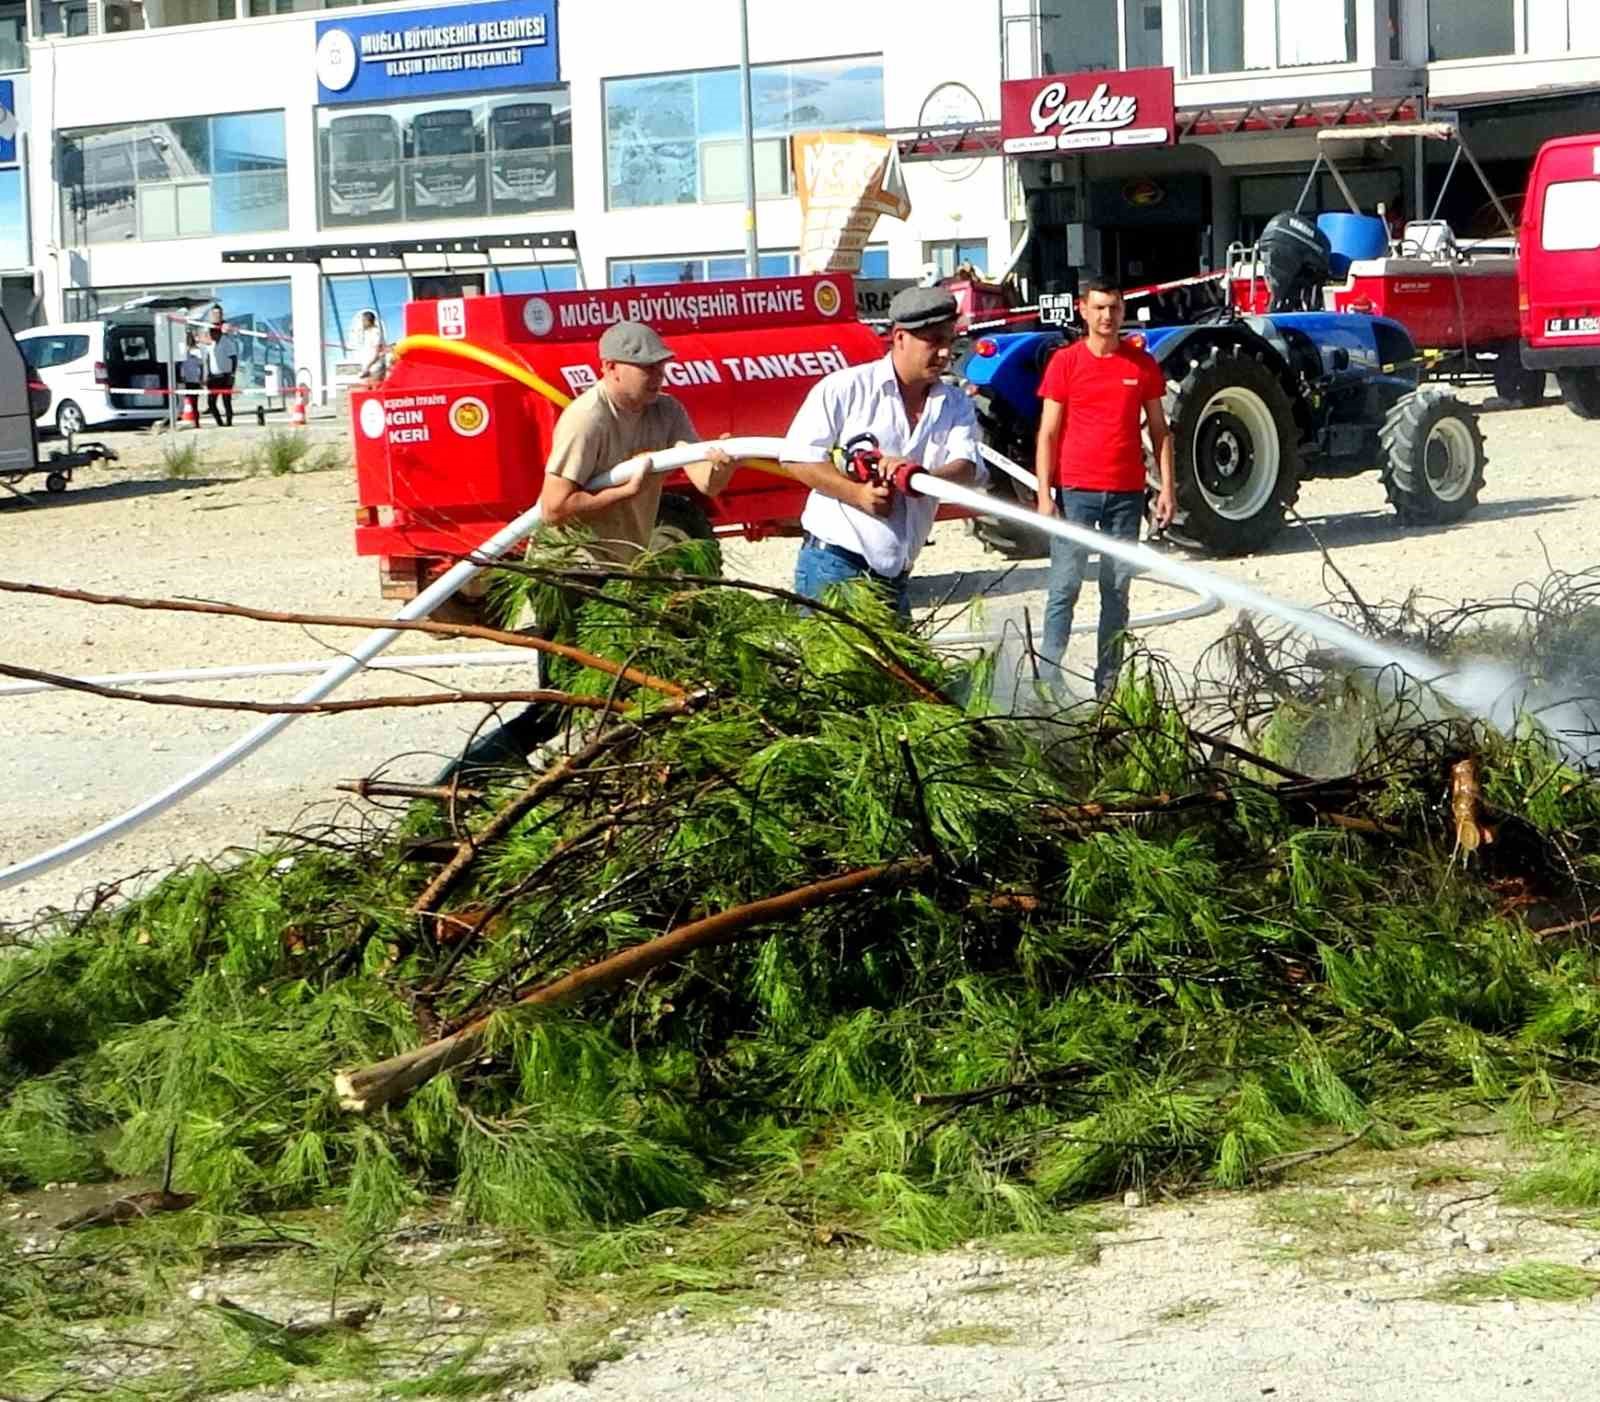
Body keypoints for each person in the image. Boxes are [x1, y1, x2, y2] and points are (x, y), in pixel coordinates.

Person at [783, 286, 985, 617]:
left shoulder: (955, 402)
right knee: (836, 669)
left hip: (895, 576)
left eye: (950, 340)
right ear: (900, 337)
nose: (946, 353)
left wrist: (921, 477)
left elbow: (967, 466)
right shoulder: (845, 389)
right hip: (835, 566)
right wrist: (857, 493)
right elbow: (798, 457)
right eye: (934, 341)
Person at [1034, 277, 1176, 699]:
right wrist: (1044, 495)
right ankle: (1049, 678)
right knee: (1064, 586)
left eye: (1114, 308)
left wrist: (1167, 489)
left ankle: (1108, 686)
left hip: (1127, 495)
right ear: (1083, 310)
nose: (1107, 317)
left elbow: (1161, 431)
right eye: (1099, 308)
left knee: (1116, 590)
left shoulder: (1141, 365)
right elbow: (1048, 433)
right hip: (1076, 491)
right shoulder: (1066, 363)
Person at [537, 320, 735, 564]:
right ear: (611, 368)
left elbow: (706, 483)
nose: (659, 375)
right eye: (647, 368)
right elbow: (553, 509)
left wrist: (722, 467)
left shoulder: (667, 411)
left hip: (620, 565)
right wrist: (624, 492)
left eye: (661, 366)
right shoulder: (587, 419)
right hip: (570, 566)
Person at [204, 323, 239, 427]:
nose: (210, 336)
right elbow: (209, 359)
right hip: (214, 377)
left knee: (226, 401)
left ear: (217, 333)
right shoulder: (212, 345)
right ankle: (219, 422)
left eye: (212, 333)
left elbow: (234, 359)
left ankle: (229, 422)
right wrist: (207, 375)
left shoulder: (227, 343)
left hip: (225, 376)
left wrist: (232, 375)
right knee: (211, 402)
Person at [178, 330, 203, 426]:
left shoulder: (197, 350)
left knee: (194, 403)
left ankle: (196, 422)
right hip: (184, 379)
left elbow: (201, 366)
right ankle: (179, 417)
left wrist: (201, 379)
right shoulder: (181, 350)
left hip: (193, 380)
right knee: (181, 402)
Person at [357, 311, 388, 386]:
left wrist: (368, 366)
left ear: (368, 321)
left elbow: (377, 354)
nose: (362, 323)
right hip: (370, 369)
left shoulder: (376, 333)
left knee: (375, 392)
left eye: (363, 321)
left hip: (376, 368)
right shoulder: (368, 332)